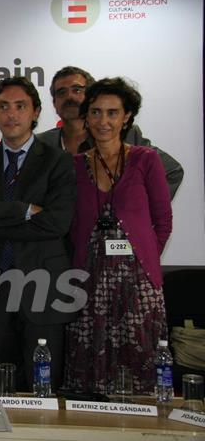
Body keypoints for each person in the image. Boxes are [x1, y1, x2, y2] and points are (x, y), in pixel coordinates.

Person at [0, 77, 76, 392]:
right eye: (3, 107)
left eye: (20, 106)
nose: (11, 114)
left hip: (43, 286)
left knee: (43, 383)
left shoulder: (59, 162)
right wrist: (24, 210)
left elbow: (56, 223)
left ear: (35, 113)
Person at [65, 77, 172, 394]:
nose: (103, 121)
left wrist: (145, 257)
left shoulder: (145, 159)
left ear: (126, 117)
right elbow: (70, 224)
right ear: (87, 117)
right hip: (90, 278)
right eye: (96, 112)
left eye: (112, 113)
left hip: (137, 282)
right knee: (91, 361)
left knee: (138, 358)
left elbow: (163, 221)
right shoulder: (74, 166)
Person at [38, 66, 183, 198]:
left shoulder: (126, 135)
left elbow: (172, 171)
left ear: (91, 98)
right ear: (54, 103)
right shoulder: (40, 144)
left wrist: (140, 210)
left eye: (77, 90)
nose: (70, 97)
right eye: (61, 92)